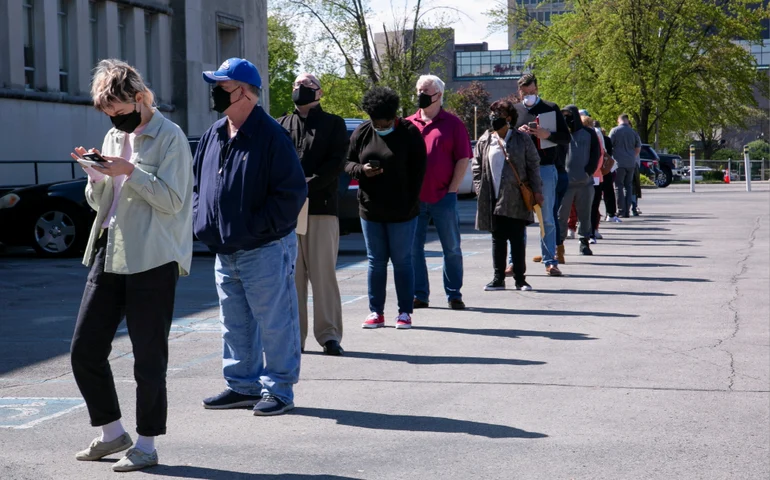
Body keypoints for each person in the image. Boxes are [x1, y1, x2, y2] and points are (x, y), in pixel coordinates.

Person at [69, 59, 193, 472]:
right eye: (109, 115)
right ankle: (111, 433)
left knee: (148, 357)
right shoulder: (111, 134)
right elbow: (100, 203)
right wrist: (96, 177)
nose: (116, 122)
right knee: (84, 349)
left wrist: (130, 172)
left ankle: (146, 444)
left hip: (153, 258)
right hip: (111, 248)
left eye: (120, 113)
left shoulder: (170, 136)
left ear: (140, 99)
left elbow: (174, 201)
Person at [195, 58, 307, 416]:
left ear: (243, 92)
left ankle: (279, 390)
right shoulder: (214, 134)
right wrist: (204, 223)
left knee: (275, 322)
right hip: (225, 249)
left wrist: (256, 228)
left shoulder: (272, 135)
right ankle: (242, 385)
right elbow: (200, 185)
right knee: (234, 323)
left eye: (221, 87)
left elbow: (290, 195)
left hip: (264, 249)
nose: (214, 93)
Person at [345, 86, 427, 329]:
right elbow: (347, 162)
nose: (381, 127)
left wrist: (410, 202)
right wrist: (362, 171)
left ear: (394, 117)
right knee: (376, 261)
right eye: (377, 123)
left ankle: (404, 312)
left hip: (403, 211)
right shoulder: (362, 132)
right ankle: (375, 312)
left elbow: (419, 172)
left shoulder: (410, 133)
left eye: (385, 123)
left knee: (402, 261)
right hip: (371, 210)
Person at [278, 73, 348, 356]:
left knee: (323, 275)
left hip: (321, 207)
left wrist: (309, 182)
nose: (299, 89)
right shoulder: (280, 124)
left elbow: (336, 163)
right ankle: (296, 337)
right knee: (292, 278)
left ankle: (329, 335)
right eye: (296, 85)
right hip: (288, 212)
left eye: (306, 86)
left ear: (319, 93)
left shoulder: (334, 124)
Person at [407, 75, 472, 310]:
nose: (420, 94)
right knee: (414, 249)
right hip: (414, 199)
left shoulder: (453, 124)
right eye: (418, 90)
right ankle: (419, 294)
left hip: (444, 197)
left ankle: (454, 293)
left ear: (439, 95)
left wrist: (452, 189)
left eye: (425, 90)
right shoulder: (408, 124)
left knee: (451, 247)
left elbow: (463, 158)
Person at [473, 100, 543, 291]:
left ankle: (520, 279)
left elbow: (533, 166)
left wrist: (537, 191)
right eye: (493, 113)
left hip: (516, 196)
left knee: (517, 237)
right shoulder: (485, 139)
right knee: (498, 238)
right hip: (492, 197)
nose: (494, 117)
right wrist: (480, 188)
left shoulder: (522, 139)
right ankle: (498, 278)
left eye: (499, 113)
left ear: (509, 118)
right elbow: (476, 166)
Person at [513, 73, 571, 277]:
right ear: (519, 92)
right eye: (524, 92)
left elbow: (566, 138)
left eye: (531, 91)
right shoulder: (515, 110)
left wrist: (547, 135)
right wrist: (517, 132)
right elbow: (505, 138)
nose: (528, 95)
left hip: (545, 167)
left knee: (546, 217)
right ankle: (514, 262)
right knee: (518, 217)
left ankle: (550, 261)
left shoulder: (550, 108)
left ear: (537, 89)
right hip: (520, 170)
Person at [558, 105, 600, 255]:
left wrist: (588, 172)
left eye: (569, 115)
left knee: (585, 214)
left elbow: (596, 154)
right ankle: (559, 244)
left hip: (584, 182)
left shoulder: (589, 133)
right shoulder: (561, 134)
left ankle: (584, 242)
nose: (566, 119)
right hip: (565, 183)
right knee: (561, 215)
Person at [609, 114, 641, 218]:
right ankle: (627, 210)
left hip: (619, 163)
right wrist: (632, 156)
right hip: (631, 162)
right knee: (628, 186)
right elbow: (638, 148)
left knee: (618, 186)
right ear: (627, 120)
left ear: (619, 120)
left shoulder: (614, 131)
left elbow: (609, 146)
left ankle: (621, 210)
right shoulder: (633, 132)